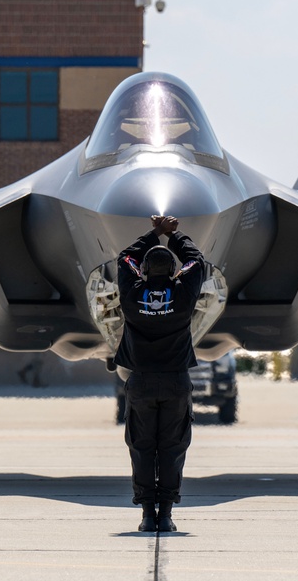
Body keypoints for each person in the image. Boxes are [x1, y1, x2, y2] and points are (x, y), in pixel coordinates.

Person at [115, 215, 205, 532]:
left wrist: (155, 233)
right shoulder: (183, 295)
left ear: (142, 271)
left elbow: (125, 257)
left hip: (139, 382)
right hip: (176, 383)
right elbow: (197, 261)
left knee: (141, 448)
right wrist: (174, 234)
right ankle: (165, 515)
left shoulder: (131, 294)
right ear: (174, 272)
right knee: (172, 448)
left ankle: (146, 516)